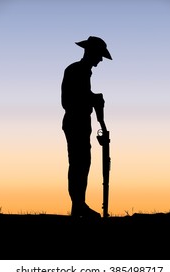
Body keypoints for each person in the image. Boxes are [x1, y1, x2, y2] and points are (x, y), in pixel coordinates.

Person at [61, 36, 112, 218]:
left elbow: (82, 95)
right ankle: (78, 205)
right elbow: (69, 101)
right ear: (92, 53)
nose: (100, 60)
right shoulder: (76, 71)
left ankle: (78, 206)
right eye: (99, 56)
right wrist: (93, 99)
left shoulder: (83, 72)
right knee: (78, 164)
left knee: (82, 163)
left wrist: (93, 98)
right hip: (76, 122)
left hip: (81, 123)